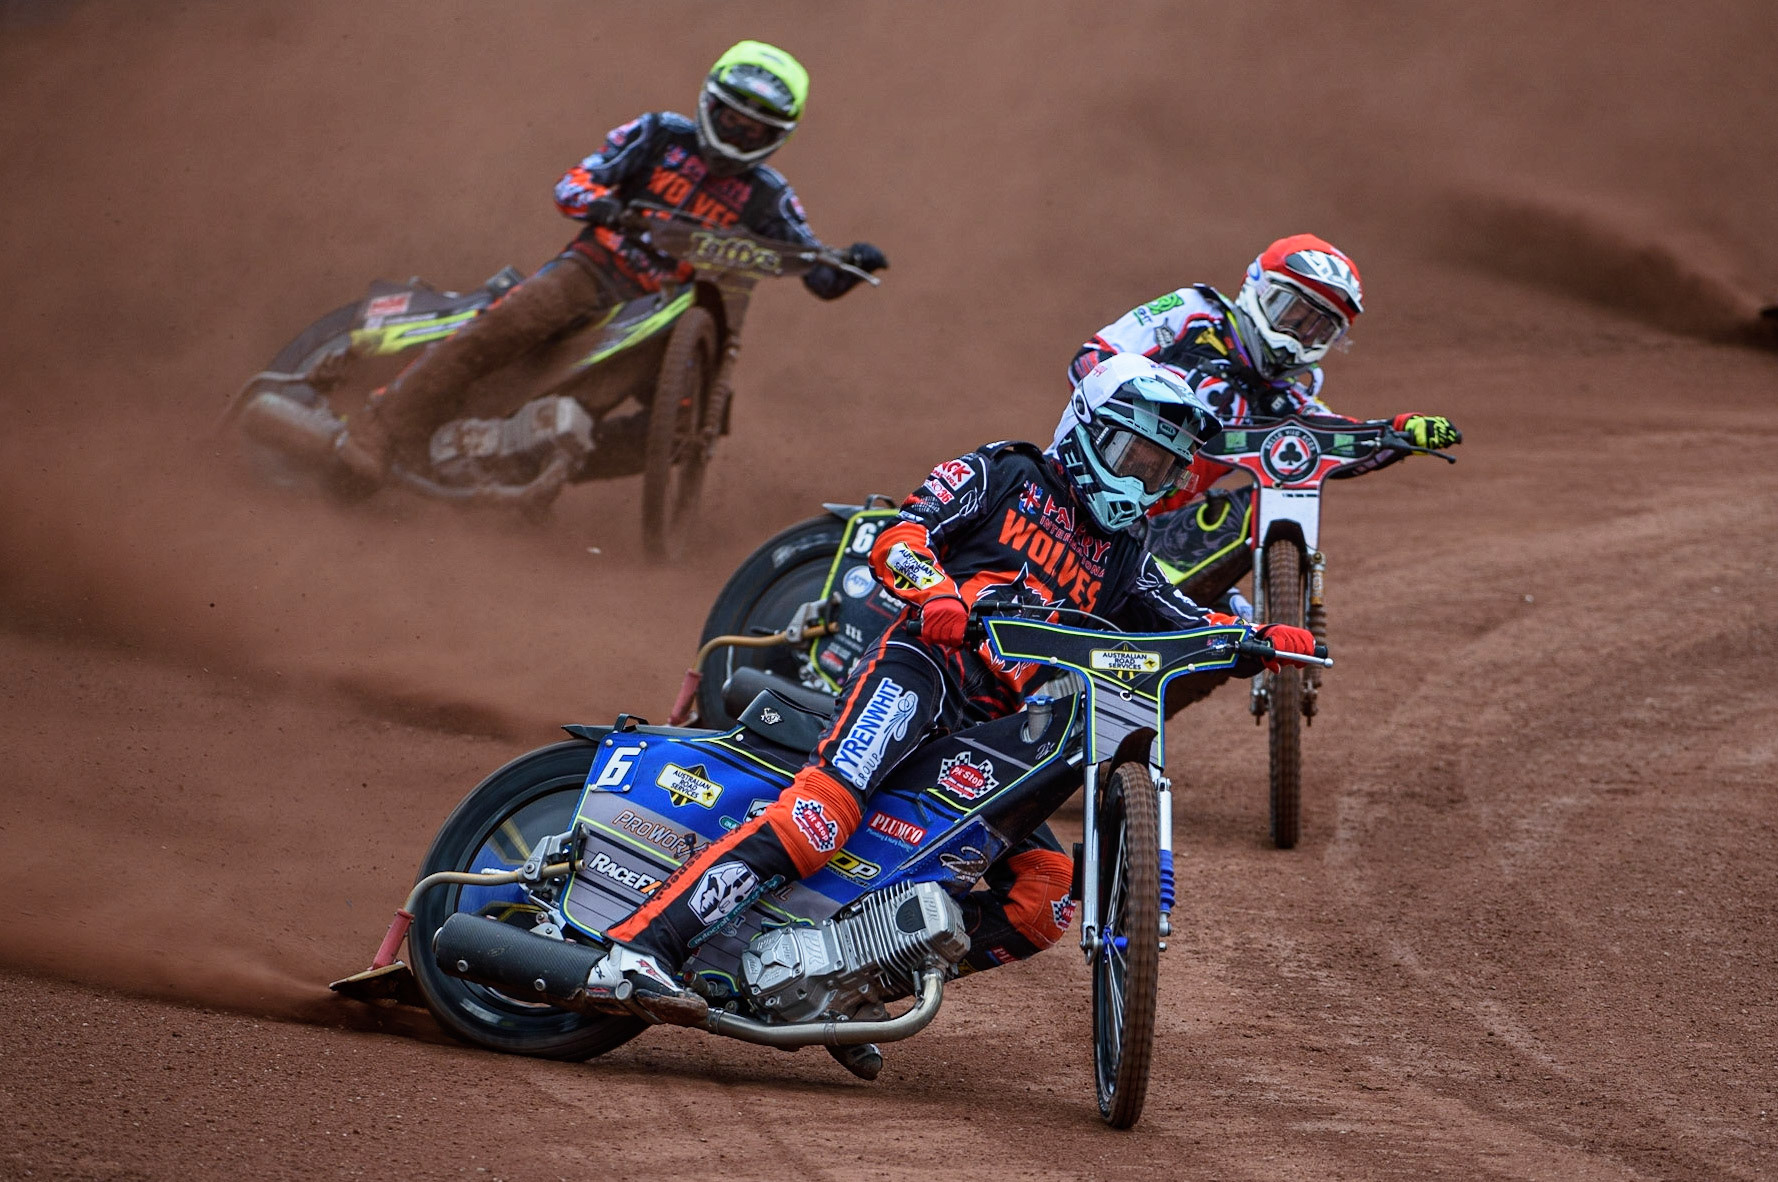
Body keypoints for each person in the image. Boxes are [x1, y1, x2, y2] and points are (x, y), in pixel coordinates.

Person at [586, 353, 1318, 1075]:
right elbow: (900, 536)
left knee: (1043, 897)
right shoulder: (1007, 472)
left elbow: (1181, 621)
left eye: (1161, 469)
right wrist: (936, 591)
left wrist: (1257, 640)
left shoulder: (1124, 552)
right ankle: (640, 949)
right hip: (921, 668)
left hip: (989, 726)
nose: (1143, 480)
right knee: (821, 817)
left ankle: (851, 982)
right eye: (1135, 456)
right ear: (1087, 428)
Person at [336, 40, 888, 484]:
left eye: (754, 129)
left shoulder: (770, 196)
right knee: (512, 322)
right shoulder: (658, 134)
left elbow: (812, 267)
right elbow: (572, 184)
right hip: (596, 269)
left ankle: (530, 462)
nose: (738, 133)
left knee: (691, 426)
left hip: (667, 315)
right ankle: (381, 426)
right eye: (731, 117)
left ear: (777, 137)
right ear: (708, 103)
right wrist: (602, 204)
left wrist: (849, 265)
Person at [1053, 234, 1460, 591]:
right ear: (1257, 287)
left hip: (1155, 536)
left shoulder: (1288, 401)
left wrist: (1399, 430)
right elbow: (1091, 359)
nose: (1297, 336)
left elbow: (1333, 442)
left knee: (1267, 513)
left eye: (1317, 329)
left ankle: (1188, 605)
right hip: (1080, 498)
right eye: (1291, 312)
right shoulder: (1194, 312)